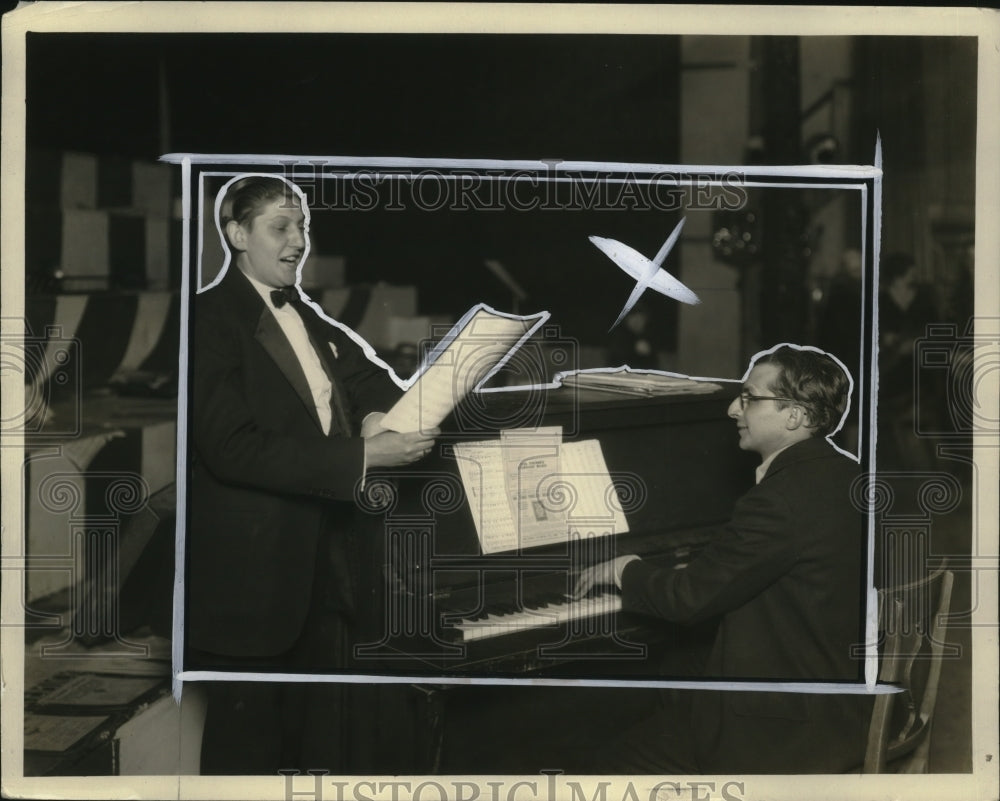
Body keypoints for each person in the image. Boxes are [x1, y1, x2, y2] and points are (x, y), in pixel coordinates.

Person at [186, 175, 438, 774]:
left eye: (301, 227)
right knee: (244, 759)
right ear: (237, 235)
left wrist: (376, 414)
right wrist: (364, 457)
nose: (298, 241)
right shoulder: (209, 317)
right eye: (280, 227)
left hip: (324, 572)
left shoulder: (302, 311)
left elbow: (367, 379)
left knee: (313, 752)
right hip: (254, 583)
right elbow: (230, 448)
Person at [572, 345, 870, 774]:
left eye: (749, 398)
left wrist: (625, 568)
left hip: (788, 733)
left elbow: (688, 599)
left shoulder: (777, 500)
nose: (732, 409)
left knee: (607, 763)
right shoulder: (847, 475)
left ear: (795, 415)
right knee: (677, 669)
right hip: (839, 696)